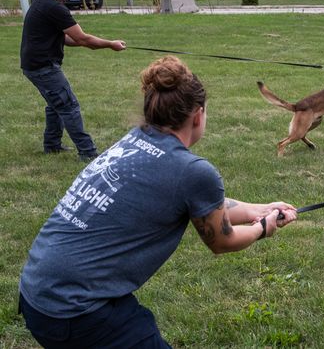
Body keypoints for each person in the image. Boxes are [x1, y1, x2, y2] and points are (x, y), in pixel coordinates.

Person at [18, 55, 299, 348]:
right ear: (198, 115)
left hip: (36, 293)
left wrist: (261, 209)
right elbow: (222, 241)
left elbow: (202, 204)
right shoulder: (193, 171)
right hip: (75, 311)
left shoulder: (134, 141)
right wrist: (262, 228)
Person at [20, 0, 126, 161]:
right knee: (68, 106)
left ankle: (52, 146)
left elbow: (68, 39)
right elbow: (83, 38)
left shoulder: (43, 3)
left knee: (56, 105)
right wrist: (110, 44)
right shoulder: (54, 8)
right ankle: (88, 152)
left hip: (34, 65)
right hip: (42, 66)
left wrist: (86, 42)